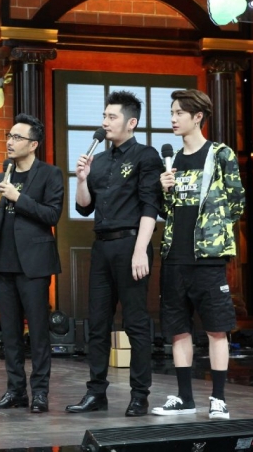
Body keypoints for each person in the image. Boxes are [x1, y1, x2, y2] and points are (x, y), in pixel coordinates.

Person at [66, 90, 162, 417]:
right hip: (102, 246)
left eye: (112, 117)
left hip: (131, 243)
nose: (105, 122)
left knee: (135, 323)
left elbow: (150, 206)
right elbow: (84, 207)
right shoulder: (101, 160)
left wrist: (140, 250)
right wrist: (81, 179)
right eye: (104, 116)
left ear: (131, 122)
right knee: (97, 323)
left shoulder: (145, 156)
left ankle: (139, 394)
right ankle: (96, 393)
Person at [152, 89, 243, 419]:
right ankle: (184, 398)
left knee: (217, 328)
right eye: (172, 113)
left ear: (197, 117)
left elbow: (236, 203)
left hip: (207, 258)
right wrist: (164, 190)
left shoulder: (220, 154)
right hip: (175, 257)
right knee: (178, 329)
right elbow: (167, 212)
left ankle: (218, 398)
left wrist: (213, 232)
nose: (173, 119)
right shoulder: (172, 160)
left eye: (179, 113)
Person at [0, 114, 63, 414]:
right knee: (10, 334)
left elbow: (52, 215)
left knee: (38, 332)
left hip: (34, 265)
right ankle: (15, 390)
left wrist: (19, 198)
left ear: (33, 144)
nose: (10, 142)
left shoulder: (50, 174)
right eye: (10, 136)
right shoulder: (2, 175)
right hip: (4, 264)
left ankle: (40, 393)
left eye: (17, 137)